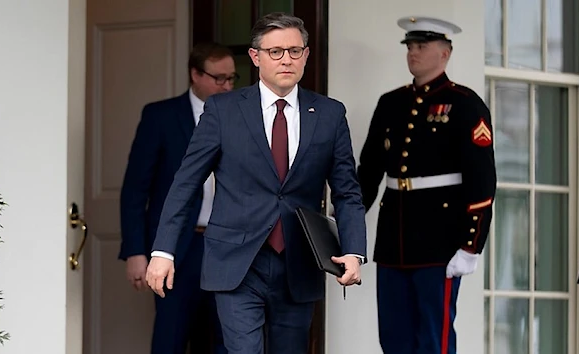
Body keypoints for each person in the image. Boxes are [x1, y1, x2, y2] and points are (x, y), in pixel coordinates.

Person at [145, 12, 367, 354]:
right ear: (255, 57)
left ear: (306, 55)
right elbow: (186, 182)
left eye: (295, 51)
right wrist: (163, 251)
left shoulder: (329, 113)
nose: (286, 60)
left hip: (299, 263)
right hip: (236, 261)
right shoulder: (223, 110)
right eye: (275, 51)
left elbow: (347, 191)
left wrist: (353, 251)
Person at [357, 16, 497, 354]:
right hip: (394, 238)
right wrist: (345, 220)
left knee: (434, 337)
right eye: (410, 46)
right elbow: (370, 170)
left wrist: (471, 245)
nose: (413, 53)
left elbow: (482, 180)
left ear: (445, 53)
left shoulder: (465, 104)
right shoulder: (391, 103)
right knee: (393, 336)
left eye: (422, 46)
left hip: (441, 241)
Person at [119, 41, 238, 354]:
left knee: (229, 340)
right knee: (170, 338)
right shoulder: (161, 117)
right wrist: (135, 251)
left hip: (228, 247)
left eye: (232, 79)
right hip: (177, 249)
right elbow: (135, 188)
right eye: (219, 78)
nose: (227, 86)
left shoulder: (242, 117)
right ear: (195, 75)